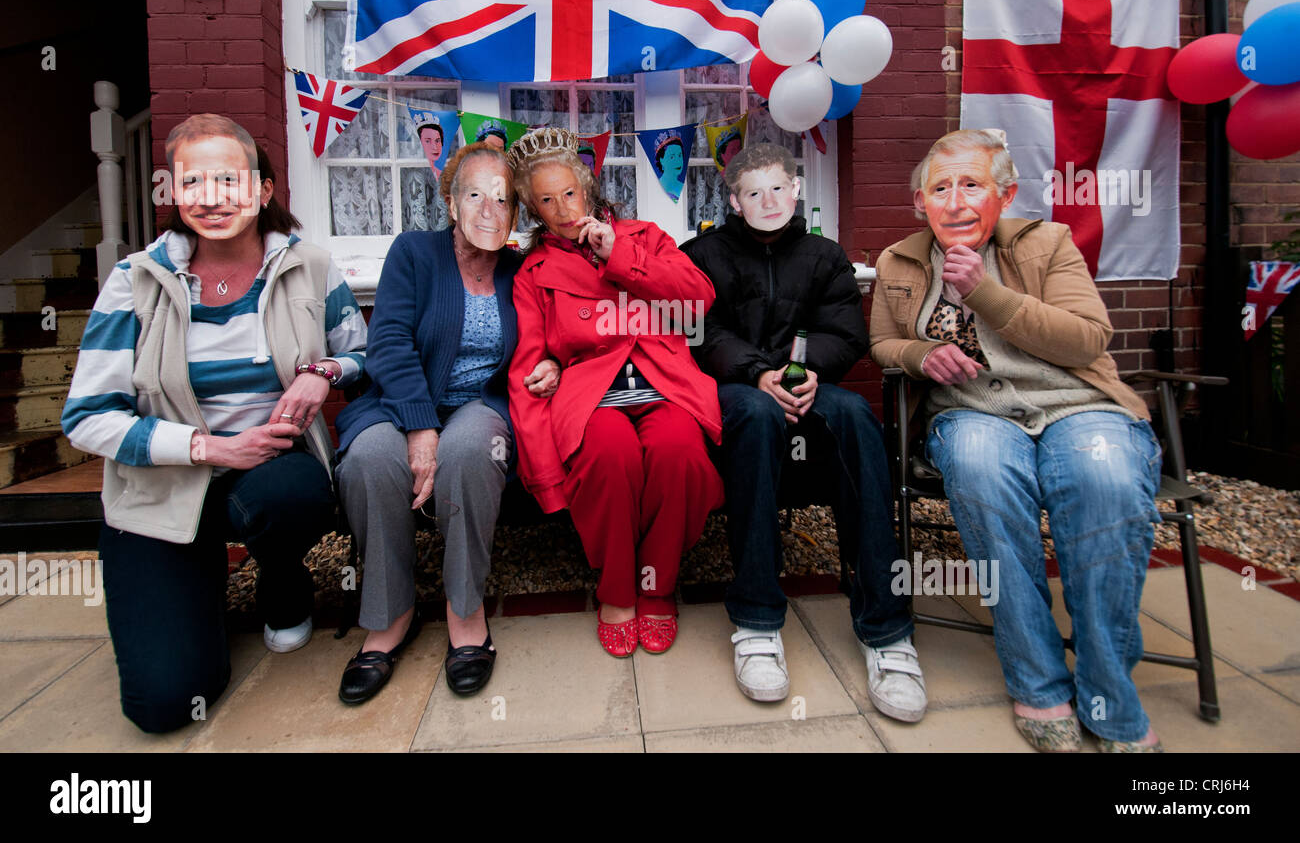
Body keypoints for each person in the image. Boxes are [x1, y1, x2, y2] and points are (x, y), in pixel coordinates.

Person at [61, 115, 367, 733]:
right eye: (193, 181)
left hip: (269, 472)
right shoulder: (134, 282)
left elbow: (361, 352)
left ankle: (282, 576)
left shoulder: (309, 266)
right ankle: (189, 582)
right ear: (172, 194)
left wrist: (324, 372)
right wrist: (206, 448)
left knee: (295, 494)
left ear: (261, 190)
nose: (212, 196)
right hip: (164, 486)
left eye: (230, 179)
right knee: (164, 705)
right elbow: (87, 418)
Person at [869, 128, 1164, 753]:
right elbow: (882, 345)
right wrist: (922, 355)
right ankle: (1037, 680)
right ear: (921, 201)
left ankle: (1109, 694)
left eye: (971, 184)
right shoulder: (899, 260)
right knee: (979, 470)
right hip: (973, 413)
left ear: (1005, 195)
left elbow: (1087, 339)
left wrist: (985, 293)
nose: (954, 201)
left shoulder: (1049, 243)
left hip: (1075, 405)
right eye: (939, 188)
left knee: (1105, 481)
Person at [681, 143, 926, 720]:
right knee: (758, 414)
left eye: (777, 188)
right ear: (735, 202)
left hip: (806, 382)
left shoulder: (825, 255)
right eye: (752, 192)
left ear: (795, 193)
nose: (767, 200)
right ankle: (757, 619)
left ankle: (886, 630)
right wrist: (755, 371)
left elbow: (846, 335)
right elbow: (700, 333)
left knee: (858, 419)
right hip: (736, 388)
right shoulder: (702, 254)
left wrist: (808, 372)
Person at [333, 142, 560, 704]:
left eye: (503, 200)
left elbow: (549, 332)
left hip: (481, 405)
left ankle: (465, 612)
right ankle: (391, 615)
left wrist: (551, 360)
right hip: (397, 403)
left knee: (471, 452)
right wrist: (418, 427)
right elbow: (386, 342)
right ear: (452, 203)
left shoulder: (520, 269)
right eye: (475, 195)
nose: (489, 209)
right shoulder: (414, 253)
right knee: (368, 462)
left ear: (514, 216)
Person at [506, 127, 724, 657]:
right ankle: (618, 590)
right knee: (610, 455)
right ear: (534, 210)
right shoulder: (533, 270)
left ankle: (657, 584)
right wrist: (552, 365)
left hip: (662, 381)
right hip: (591, 394)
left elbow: (697, 300)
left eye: (569, 194)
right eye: (546, 200)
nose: (561, 208)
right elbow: (529, 362)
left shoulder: (644, 236)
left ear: (588, 187)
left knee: (679, 454)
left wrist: (620, 254)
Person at [654, 133, 686, 200]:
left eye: (680, 155)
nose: (678, 161)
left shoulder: (683, 186)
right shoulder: (656, 186)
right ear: (661, 160)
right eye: (672, 157)